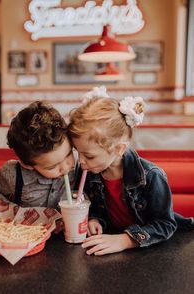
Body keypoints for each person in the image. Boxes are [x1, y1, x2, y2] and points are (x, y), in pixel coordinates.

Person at [68, 87, 194, 256]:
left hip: (157, 251)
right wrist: (93, 219)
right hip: (110, 248)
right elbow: (88, 203)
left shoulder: (151, 176)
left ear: (119, 149)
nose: (81, 161)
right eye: (78, 152)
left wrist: (126, 240)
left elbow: (165, 224)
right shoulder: (88, 170)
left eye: (89, 156)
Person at [0, 101, 75, 214]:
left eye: (68, 155)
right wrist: (1, 216)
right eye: (52, 167)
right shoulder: (12, 174)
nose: (65, 168)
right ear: (27, 164)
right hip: (26, 230)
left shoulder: (79, 164)